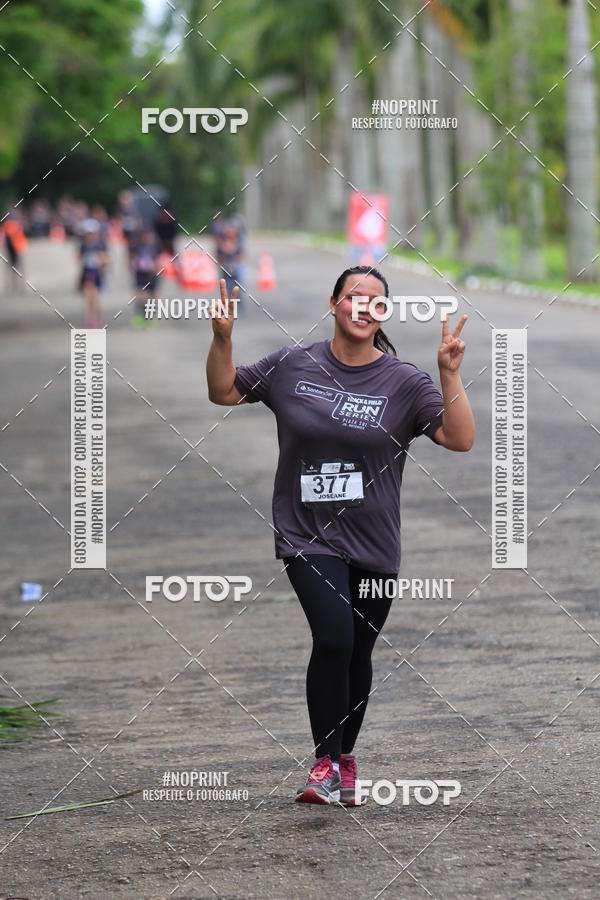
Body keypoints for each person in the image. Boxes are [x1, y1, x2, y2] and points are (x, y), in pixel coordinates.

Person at [206, 265, 474, 806]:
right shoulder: (292, 365)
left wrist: (448, 374)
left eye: (376, 301)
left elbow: (460, 438)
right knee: (334, 639)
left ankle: (345, 762)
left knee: (359, 652)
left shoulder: (404, 382)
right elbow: (223, 391)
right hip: (308, 535)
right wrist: (222, 340)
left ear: (384, 314)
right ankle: (323, 763)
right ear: (334, 304)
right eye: (354, 297)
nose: (363, 307)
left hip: (375, 541)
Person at [78, 221, 108, 327]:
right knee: (88, 296)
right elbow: (79, 259)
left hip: (97, 273)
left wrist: (101, 259)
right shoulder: (84, 245)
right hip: (87, 272)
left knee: (95, 297)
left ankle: (96, 317)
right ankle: (89, 318)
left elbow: (106, 260)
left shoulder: (101, 244)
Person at [131, 227, 161, 328]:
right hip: (141, 275)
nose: (148, 238)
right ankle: (141, 316)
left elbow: (158, 260)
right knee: (142, 296)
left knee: (152, 298)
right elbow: (133, 259)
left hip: (152, 275)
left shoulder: (155, 247)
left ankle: (151, 318)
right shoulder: (137, 247)